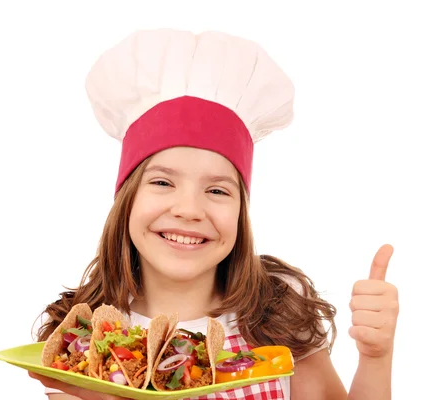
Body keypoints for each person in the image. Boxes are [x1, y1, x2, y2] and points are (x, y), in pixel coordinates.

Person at [29, 28, 400, 400]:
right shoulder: (80, 338)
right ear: (127, 198)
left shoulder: (279, 313)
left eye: (217, 190)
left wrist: (375, 358)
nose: (189, 210)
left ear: (241, 211)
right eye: (162, 183)